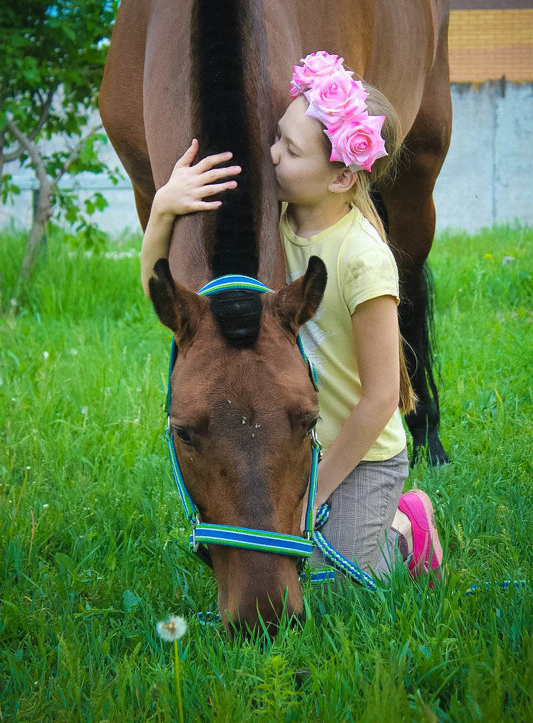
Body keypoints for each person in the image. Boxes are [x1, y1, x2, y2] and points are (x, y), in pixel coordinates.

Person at [141, 51, 443, 582]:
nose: (271, 154)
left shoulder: (364, 259)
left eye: (290, 149)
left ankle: (407, 527)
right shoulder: (271, 229)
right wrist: (164, 208)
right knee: (286, 563)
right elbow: (158, 290)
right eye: (277, 137)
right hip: (293, 443)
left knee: (339, 587)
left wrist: (319, 489)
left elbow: (380, 396)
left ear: (340, 178)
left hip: (363, 452)